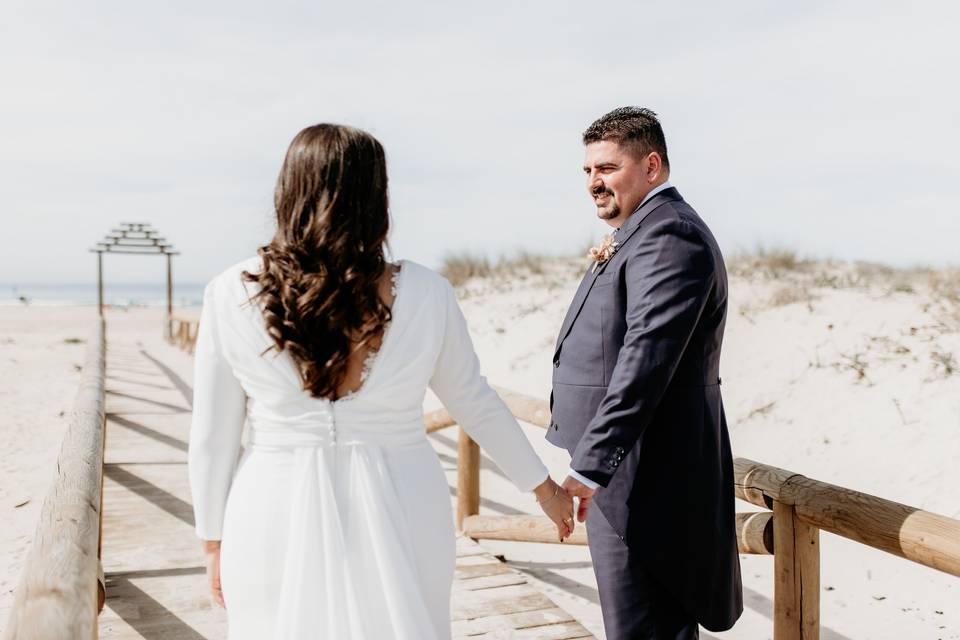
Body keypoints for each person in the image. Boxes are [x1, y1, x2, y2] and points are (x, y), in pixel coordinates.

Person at [188, 123, 574, 639]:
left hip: (271, 506)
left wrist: (212, 538)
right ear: (376, 197)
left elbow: (213, 435)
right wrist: (542, 487)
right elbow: (474, 402)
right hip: (404, 501)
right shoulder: (429, 294)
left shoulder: (227, 293)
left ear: (288, 191)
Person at [548, 107, 743, 639]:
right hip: (625, 475)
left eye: (607, 168)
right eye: (588, 171)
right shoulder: (639, 233)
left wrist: (589, 468)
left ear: (651, 165)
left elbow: (644, 365)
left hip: (648, 483)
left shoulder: (671, 236)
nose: (594, 183)